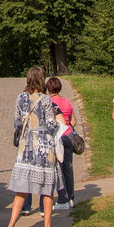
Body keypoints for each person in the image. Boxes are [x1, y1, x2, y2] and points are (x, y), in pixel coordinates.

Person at [5, 66, 63, 227]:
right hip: (43, 147)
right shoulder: (45, 100)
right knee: (47, 190)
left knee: (21, 189)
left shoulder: (21, 97)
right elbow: (51, 124)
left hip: (25, 146)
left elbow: (17, 121)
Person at [47, 77, 76, 209]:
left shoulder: (49, 103)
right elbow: (73, 121)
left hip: (58, 137)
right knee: (68, 168)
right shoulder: (67, 102)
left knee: (58, 169)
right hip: (68, 135)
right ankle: (71, 196)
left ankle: (62, 197)